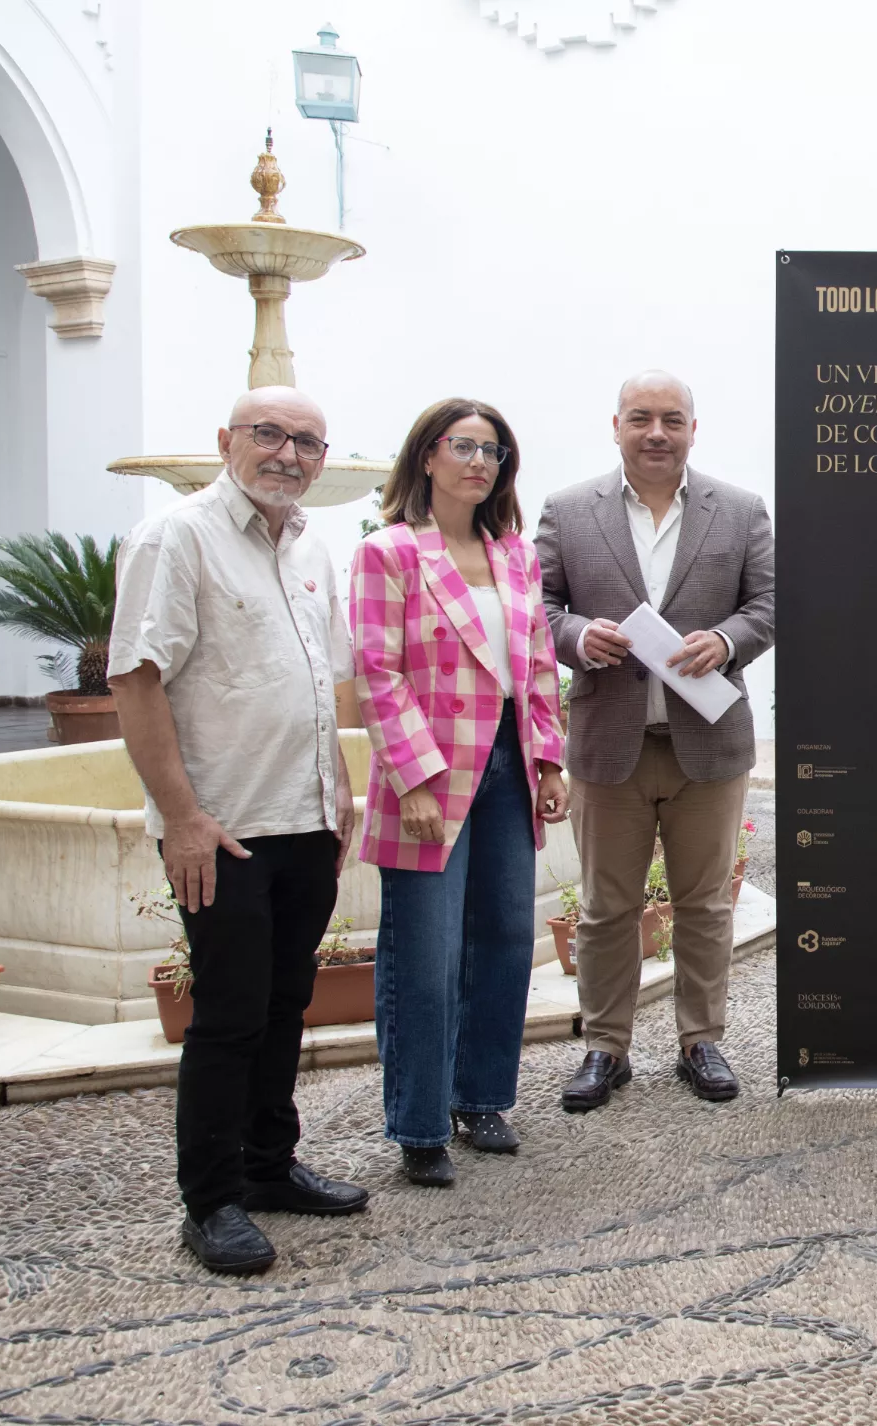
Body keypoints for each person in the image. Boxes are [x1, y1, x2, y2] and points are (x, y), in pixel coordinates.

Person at [108, 387, 370, 1275]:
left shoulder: (311, 550)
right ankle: (211, 1200)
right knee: (226, 1016)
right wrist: (181, 818)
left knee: (284, 1005)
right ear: (225, 440)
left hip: (305, 823)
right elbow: (136, 682)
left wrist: (339, 794)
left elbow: (315, 689)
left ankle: (268, 1164)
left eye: (306, 441)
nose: (287, 454)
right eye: (269, 434)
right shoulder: (175, 538)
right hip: (222, 829)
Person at [537, 370, 775, 1108]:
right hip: (611, 744)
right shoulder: (569, 511)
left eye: (672, 419)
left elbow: (772, 601)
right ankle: (605, 1048)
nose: (656, 433)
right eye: (640, 418)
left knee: (706, 905)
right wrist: (577, 634)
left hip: (707, 744)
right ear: (616, 426)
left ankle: (701, 1042)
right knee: (608, 906)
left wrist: (728, 642)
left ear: (693, 429)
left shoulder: (738, 511)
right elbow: (534, 606)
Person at [353, 398, 570, 1187]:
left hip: (509, 765)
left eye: (495, 452)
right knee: (426, 952)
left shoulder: (514, 555)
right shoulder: (390, 554)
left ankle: (482, 1097)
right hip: (431, 773)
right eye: (465, 446)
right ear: (428, 456)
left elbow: (538, 666)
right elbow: (377, 674)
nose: (480, 463)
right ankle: (418, 1123)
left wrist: (549, 761)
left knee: (508, 935)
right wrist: (413, 776)